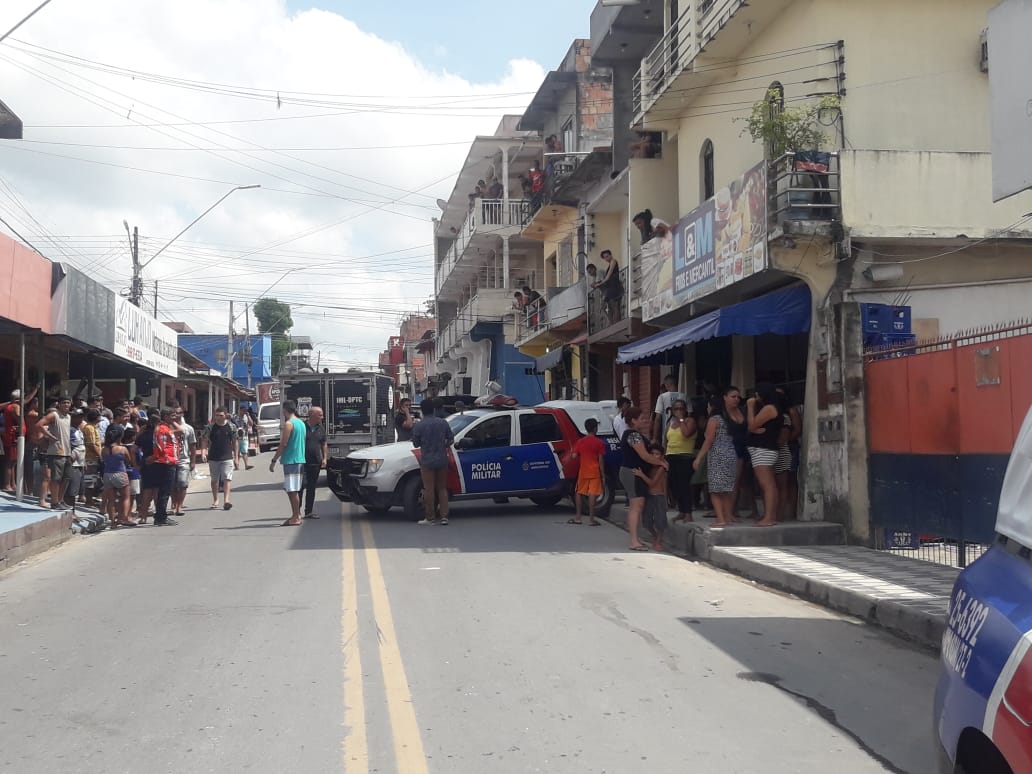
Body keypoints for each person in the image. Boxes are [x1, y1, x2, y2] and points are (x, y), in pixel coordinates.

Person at [618, 407, 668, 551]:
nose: (645, 421)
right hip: (633, 473)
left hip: (632, 472)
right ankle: (634, 541)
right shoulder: (633, 435)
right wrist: (661, 462)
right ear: (633, 421)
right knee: (636, 506)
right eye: (642, 419)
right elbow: (645, 456)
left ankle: (636, 539)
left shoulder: (634, 434)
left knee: (637, 506)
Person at [694, 389, 743, 527]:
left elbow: (708, 441)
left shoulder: (715, 420)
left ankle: (720, 518)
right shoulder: (730, 419)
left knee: (715, 490)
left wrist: (699, 458)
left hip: (717, 455)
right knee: (727, 490)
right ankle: (727, 517)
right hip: (731, 454)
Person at [411, 398, 454, 526]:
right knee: (442, 488)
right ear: (434, 410)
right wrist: (443, 446)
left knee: (428, 489)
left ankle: (430, 518)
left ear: (422, 411)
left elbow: (415, 443)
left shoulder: (419, 425)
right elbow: (451, 439)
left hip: (427, 460)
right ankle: (444, 517)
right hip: (442, 459)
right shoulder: (443, 423)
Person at [746, 383, 782, 528]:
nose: (755, 398)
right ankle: (770, 516)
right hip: (763, 449)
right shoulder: (770, 408)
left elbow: (752, 425)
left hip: (764, 450)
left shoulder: (769, 408)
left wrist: (749, 407)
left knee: (767, 485)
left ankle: (768, 517)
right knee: (769, 484)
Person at [269, 400, 307, 526]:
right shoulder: (301, 423)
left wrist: (274, 460)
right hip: (299, 459)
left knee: (292, 490)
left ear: (285, 410)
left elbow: (283, 444)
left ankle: (296, 516)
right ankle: (296, 515)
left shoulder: (289, 424)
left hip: (291, 460)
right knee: (294, 489)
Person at [35, 396, 74, 510]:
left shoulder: (68, 417)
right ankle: (54, 502)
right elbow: (39, 425)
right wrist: (50, 437)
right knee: (55, 479)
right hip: (56, 452)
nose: (66, 405)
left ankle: (60, 500)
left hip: (67, 451)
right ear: (59, 404)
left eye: (68, 402)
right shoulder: (54, 415)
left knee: (66, 477)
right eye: (64, 403)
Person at [568, 417, 606, 526]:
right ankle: (591, 519)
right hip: (594, 471)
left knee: (579, 493)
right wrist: (603, 475)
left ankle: (578, 518)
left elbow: (574, 455)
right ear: (595, 428)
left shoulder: (580, 442)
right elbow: (601, 460)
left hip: (583, 471)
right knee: (592, 494)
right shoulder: (599, 442)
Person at [665, 398, 697, 523]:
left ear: (685, 410)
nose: (678, 411)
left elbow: (686, 433)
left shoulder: (690, 421)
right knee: (674, 486)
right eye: (676, 409)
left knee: (684, 485)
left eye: (681, 408)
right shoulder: (670, 424)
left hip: (685, 456)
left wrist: (682, 419)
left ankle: (688, 513)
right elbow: (666, 441)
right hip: (671, 456)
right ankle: (681, 511)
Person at [146, 408, 180, 526]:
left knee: (165, 491)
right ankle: (161, 516)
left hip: (169, 462)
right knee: (164, 491)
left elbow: (181, 431)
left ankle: (161, 515)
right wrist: (157, 458)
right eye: (172, 416)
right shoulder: (162, 430)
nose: (174, 418)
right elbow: (159, 447)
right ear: (165, 416)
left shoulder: (165, 428)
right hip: (165, 463)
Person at [3, 386, 39, 493]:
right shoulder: (15, 406)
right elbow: (18, 417)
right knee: (11, 461)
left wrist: (35, 390)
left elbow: (26, 400)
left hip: (14, 436)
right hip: (13, 436)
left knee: (14, 462)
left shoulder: (12, 405)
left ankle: (13, 483)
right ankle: (7, 484)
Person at [202, 406, 238, 511]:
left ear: (226, 415)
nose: (218, 417)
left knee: (227, 479)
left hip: (227, 457)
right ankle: (215, 499)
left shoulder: (231, 427)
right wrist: (204, 452)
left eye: (221, 415)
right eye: (216, 415)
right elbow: (204, 440)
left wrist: (236, 457)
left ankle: (226, 501)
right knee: (214, 480)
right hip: (213, 457)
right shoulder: (210, 427)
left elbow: (235, 442)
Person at [101, 425, 136, 527]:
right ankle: (124, 518)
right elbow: (128, 461)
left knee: (111, 500)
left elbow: (104, 460)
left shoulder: (104, 449)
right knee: (125, 497)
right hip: (120, 473)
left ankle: (112, 522)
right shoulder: (122, 449)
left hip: (107, 474)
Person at [635, 450, 669, 551]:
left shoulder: (661, 467)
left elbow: (652, 483)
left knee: (660, 521)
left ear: (662, 456)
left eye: (657, 454)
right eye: (652, 454)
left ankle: (658, 541)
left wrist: (641, 475)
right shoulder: (649, 466)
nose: (654, 456)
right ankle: (655, 537)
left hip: (658, 496)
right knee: (647, 521)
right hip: (648, 496)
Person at [303, 406, 328, 519]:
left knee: (311, 487)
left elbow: (324, 444)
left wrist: (324, 458)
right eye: (320, 415)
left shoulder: (321, 428)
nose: (322, 417)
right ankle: (296, 512)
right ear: (312, 415)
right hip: (302, 461)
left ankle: (308, 511)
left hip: (315, 462)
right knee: (300, 486)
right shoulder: (302, 427)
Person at [170, 407, 196, 517]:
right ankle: (174, 504)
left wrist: (193, 461)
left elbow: (192, 445)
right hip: (170, 459)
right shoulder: (167, 427)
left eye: (179, 413)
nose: (176, 415)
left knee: (183, 483)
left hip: (183, 459)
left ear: (182, 414)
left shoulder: (188, 428)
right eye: (174, 413)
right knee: (172, 485)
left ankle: (179, 506)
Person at [652, 373, 685, 448]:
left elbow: (657, 419)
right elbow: (689, 416)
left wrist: (655, 438)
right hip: (683, 434)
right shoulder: (684, 396)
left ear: (667, 385)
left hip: (667, 436)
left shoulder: (662, 397)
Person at [81, 408, 103, 508]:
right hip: (90, 458)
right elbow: (91, 445)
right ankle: (88, 501)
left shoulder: (94, 427)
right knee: (89, 480)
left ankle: (90, 500)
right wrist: (101, 456)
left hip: (94, 457)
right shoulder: (89, 428)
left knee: (94, 480)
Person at [65, 410, 86, 510]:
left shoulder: (79, 431)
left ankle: (72, 510)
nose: (80, 419)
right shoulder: (70, 430)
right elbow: (66, 443)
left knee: (75, 489)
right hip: (73, 464)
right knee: (71, 490)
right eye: (78, 417)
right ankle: (70, 511)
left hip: (80, 463)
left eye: (81, 417)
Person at [122, 426, 143, 520]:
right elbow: (139, 460)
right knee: (132, 495)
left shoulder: (121, 447)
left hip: (123, 472)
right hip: (134, 473)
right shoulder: (135, 448)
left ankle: (122, 513)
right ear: (132, 437)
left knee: (123, 495)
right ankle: (129, 513)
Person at [235, 406, 254, 470]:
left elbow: (251, 424)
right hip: (237, 437)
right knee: (237, 452)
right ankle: (237, 465)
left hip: (244, 437)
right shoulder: (235, 417)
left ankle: (246, 465)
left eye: (245, 411)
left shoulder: (246, 417)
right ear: (240, 410)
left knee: (244, 451)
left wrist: (248, 416)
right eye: (243, 410)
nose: (244, 412)